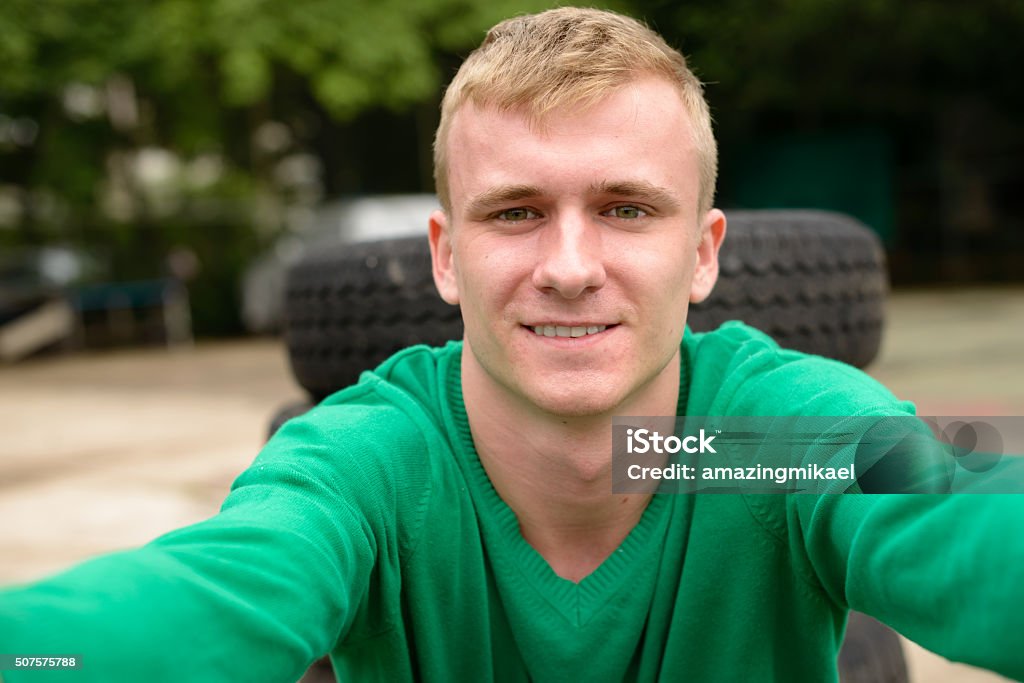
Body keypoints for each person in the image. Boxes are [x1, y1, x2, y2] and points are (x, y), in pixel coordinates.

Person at [2, 7, 1022, 682]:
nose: (570, 264)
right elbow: (212, 595)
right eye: (517, 211)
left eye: (626, 208)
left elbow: (954, 503)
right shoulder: (371, 461)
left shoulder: (768, 437)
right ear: (445, 255)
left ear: (704, 252)